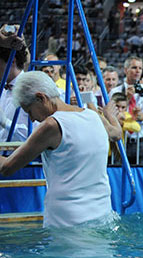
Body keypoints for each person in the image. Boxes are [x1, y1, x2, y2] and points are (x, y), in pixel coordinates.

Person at [0, 71, 113, 228]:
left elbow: (6, 168)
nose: (32, 119)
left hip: (67, 220)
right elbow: (116, 133)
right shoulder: (93, 117)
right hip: (102, 213)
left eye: (29, 111)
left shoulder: (51, 126)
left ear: (41, 98)